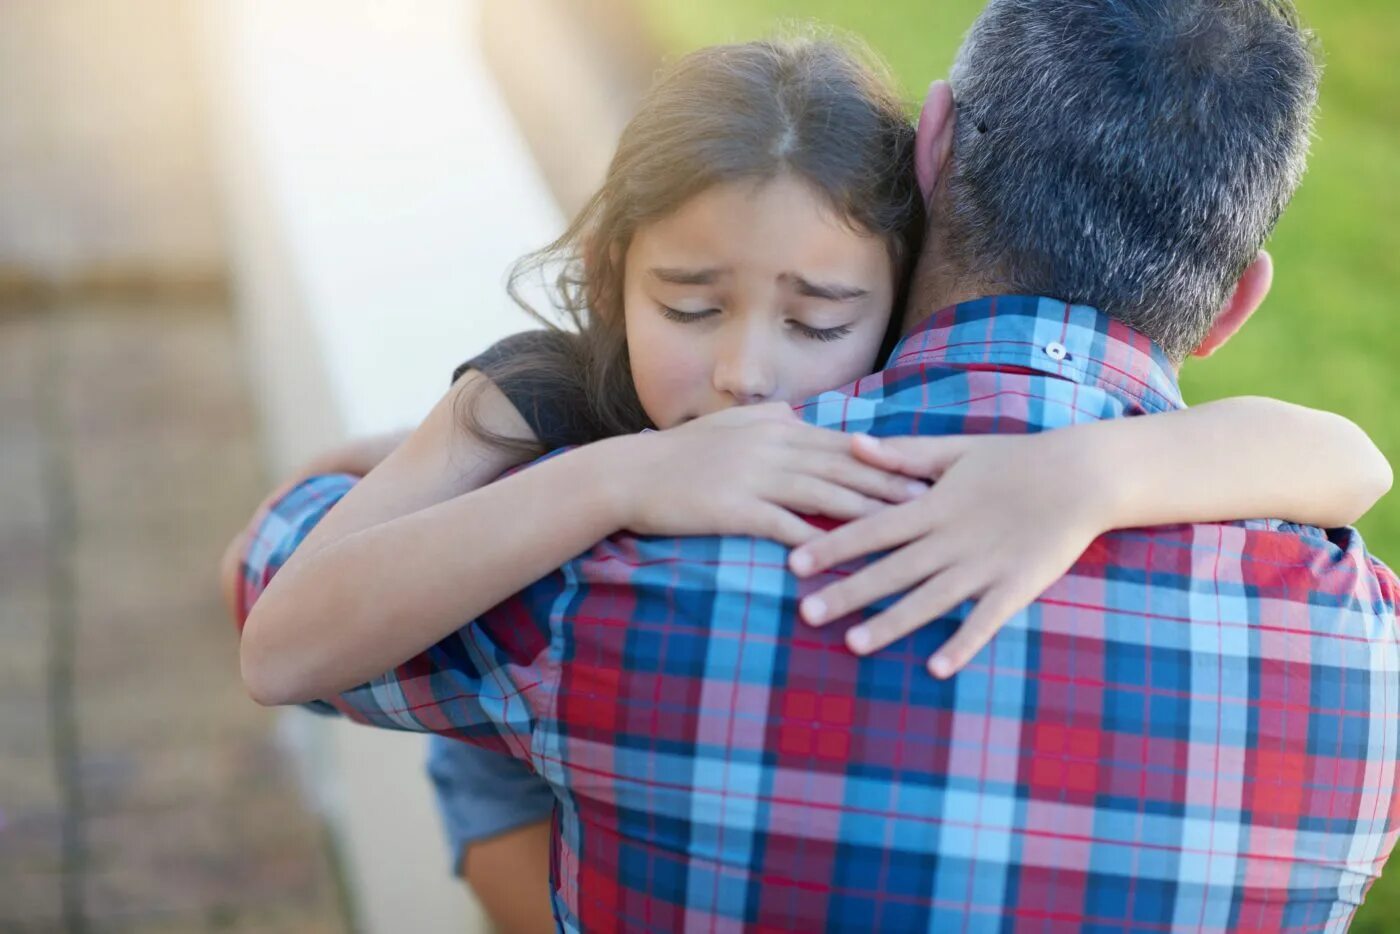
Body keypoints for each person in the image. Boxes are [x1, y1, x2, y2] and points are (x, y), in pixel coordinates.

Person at [224, 3, 1398, 929]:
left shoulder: (619, 574)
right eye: (691, 303)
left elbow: (273, 580)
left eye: (814, 314)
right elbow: (1348, 462)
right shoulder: (1364, 653)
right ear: (1237, 302)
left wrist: (1095, 475)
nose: (746, 374)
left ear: (927, 165)